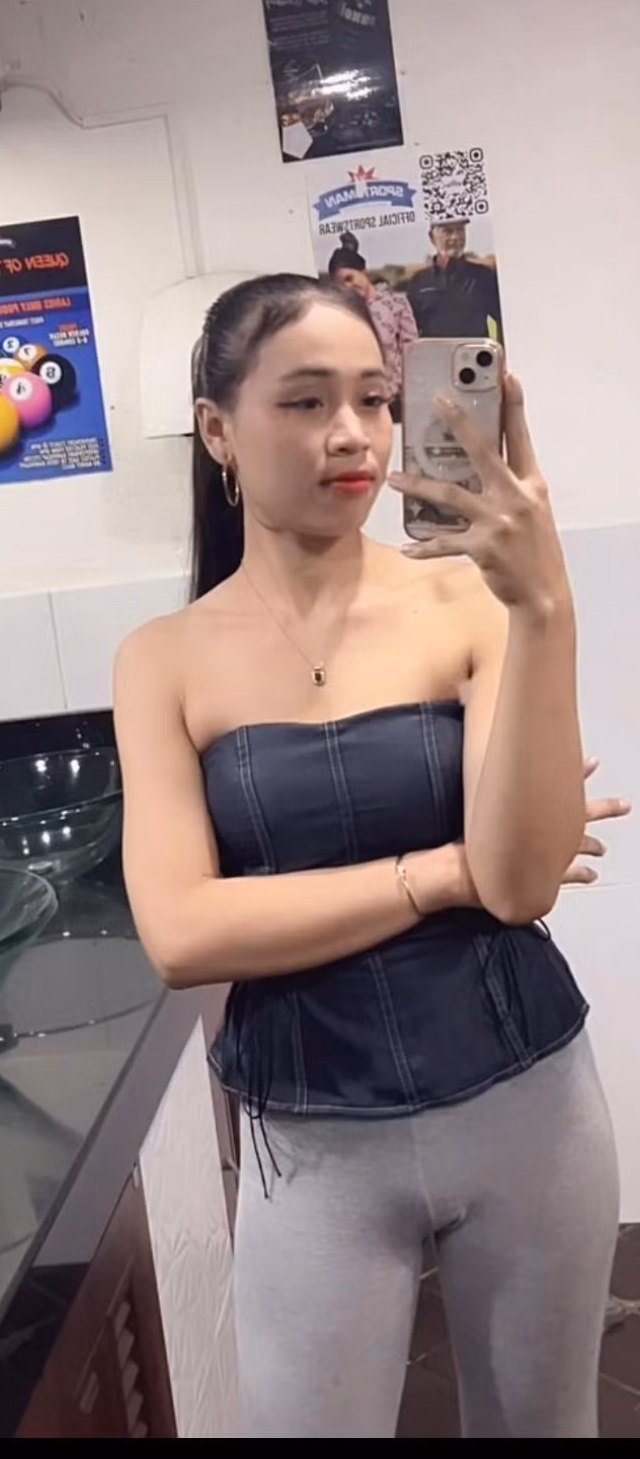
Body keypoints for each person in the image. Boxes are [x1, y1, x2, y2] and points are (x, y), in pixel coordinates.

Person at [114, 274, 628, 1440]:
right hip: (314, 1145)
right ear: (217, 431)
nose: (350, 433)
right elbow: (182, 935)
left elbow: (519, 884)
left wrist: (545, 605)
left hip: (528, 1108)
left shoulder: (470, 602)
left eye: (373, 399)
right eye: (304, 401)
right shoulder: (162, 660)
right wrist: (435, 873)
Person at [327, 231, 417, 405]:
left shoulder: (395, 302)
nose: (348, 286)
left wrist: (409, 393)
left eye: (349, 278)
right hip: (362, 400)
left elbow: (411, 349)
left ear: (363, 272)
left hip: (397, 398)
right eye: (341, 285)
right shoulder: (344, 313)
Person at [402, 220, 504, 343]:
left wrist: (502, 352)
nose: (455, 237)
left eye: (460, 230)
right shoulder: (418, 282)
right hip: (434, 354)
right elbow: (408, 330)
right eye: (447, 231)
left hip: (473, 354)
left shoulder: (484, 276)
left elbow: (504, 319)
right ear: (431, 237)